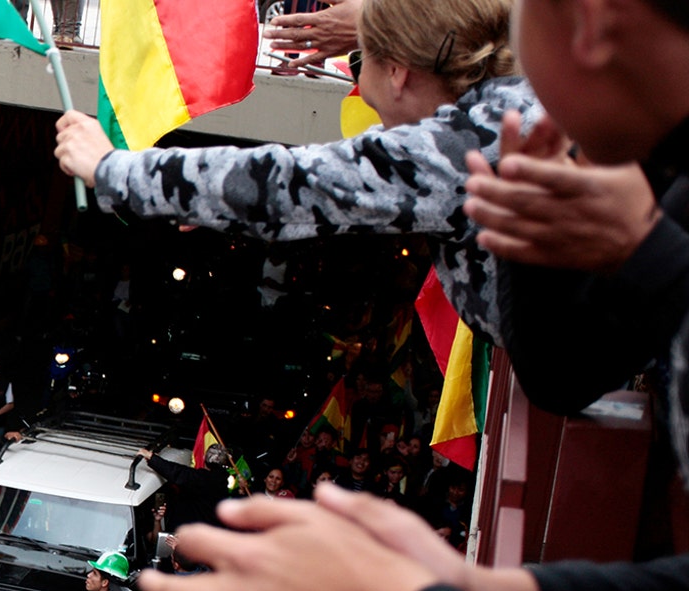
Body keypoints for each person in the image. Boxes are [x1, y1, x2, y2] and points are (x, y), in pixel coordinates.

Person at [55, 0, 531, 341]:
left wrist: (114, 169)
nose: (360, 89)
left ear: (399, 72)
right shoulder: (531, 89)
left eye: (361, 59)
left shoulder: (456, 152)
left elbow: (288, 185)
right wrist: (380, 16)